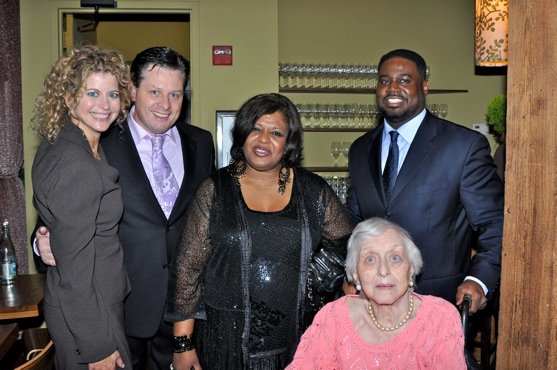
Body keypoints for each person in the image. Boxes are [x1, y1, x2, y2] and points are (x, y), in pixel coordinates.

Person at [35, 46, 216, 369]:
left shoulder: (201, 143)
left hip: (182, 312)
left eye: (175, 94)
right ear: (133, 91)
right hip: (116, 310)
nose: (165, 105)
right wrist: (42, 240)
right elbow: (61, 206)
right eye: (155, 92)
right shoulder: (98, 137)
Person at [164, 93, 355, 369]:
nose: (264, 139)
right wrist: (183, 345)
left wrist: (327, 273)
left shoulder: (313, 190)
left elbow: (352, 244)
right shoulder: (214, 189)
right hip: (225, 343)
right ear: (243, 134)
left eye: (275, 132)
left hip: (298, 341)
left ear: (288, 143)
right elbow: (187, 269)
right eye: (256, 128)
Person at [345, 49, 504, 314]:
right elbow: (353, 222)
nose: (393, 87)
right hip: (371, 304)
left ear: (425, 86)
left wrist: (479, 280)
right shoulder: (360, 149)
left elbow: (494, 222)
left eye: (404, 80)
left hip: (440, 303)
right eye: (385, 81)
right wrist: (349, 273)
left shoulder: (463, 146)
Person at [31, 44, 132, 369]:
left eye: (113, 95)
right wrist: (97, 347)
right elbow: (74, 274)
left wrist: (49, 237)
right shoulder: (77, 165)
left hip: (85, 306)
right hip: (90, 313)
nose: (105, 106)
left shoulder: (62, 140)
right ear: (67, 97)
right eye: (92, 93)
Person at [286, 218, 466, 369]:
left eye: (395, 258)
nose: (383, 271)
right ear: (356, 274)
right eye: (370, 260)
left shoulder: (440, 318)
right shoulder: (334, 317)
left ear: (411, 269)